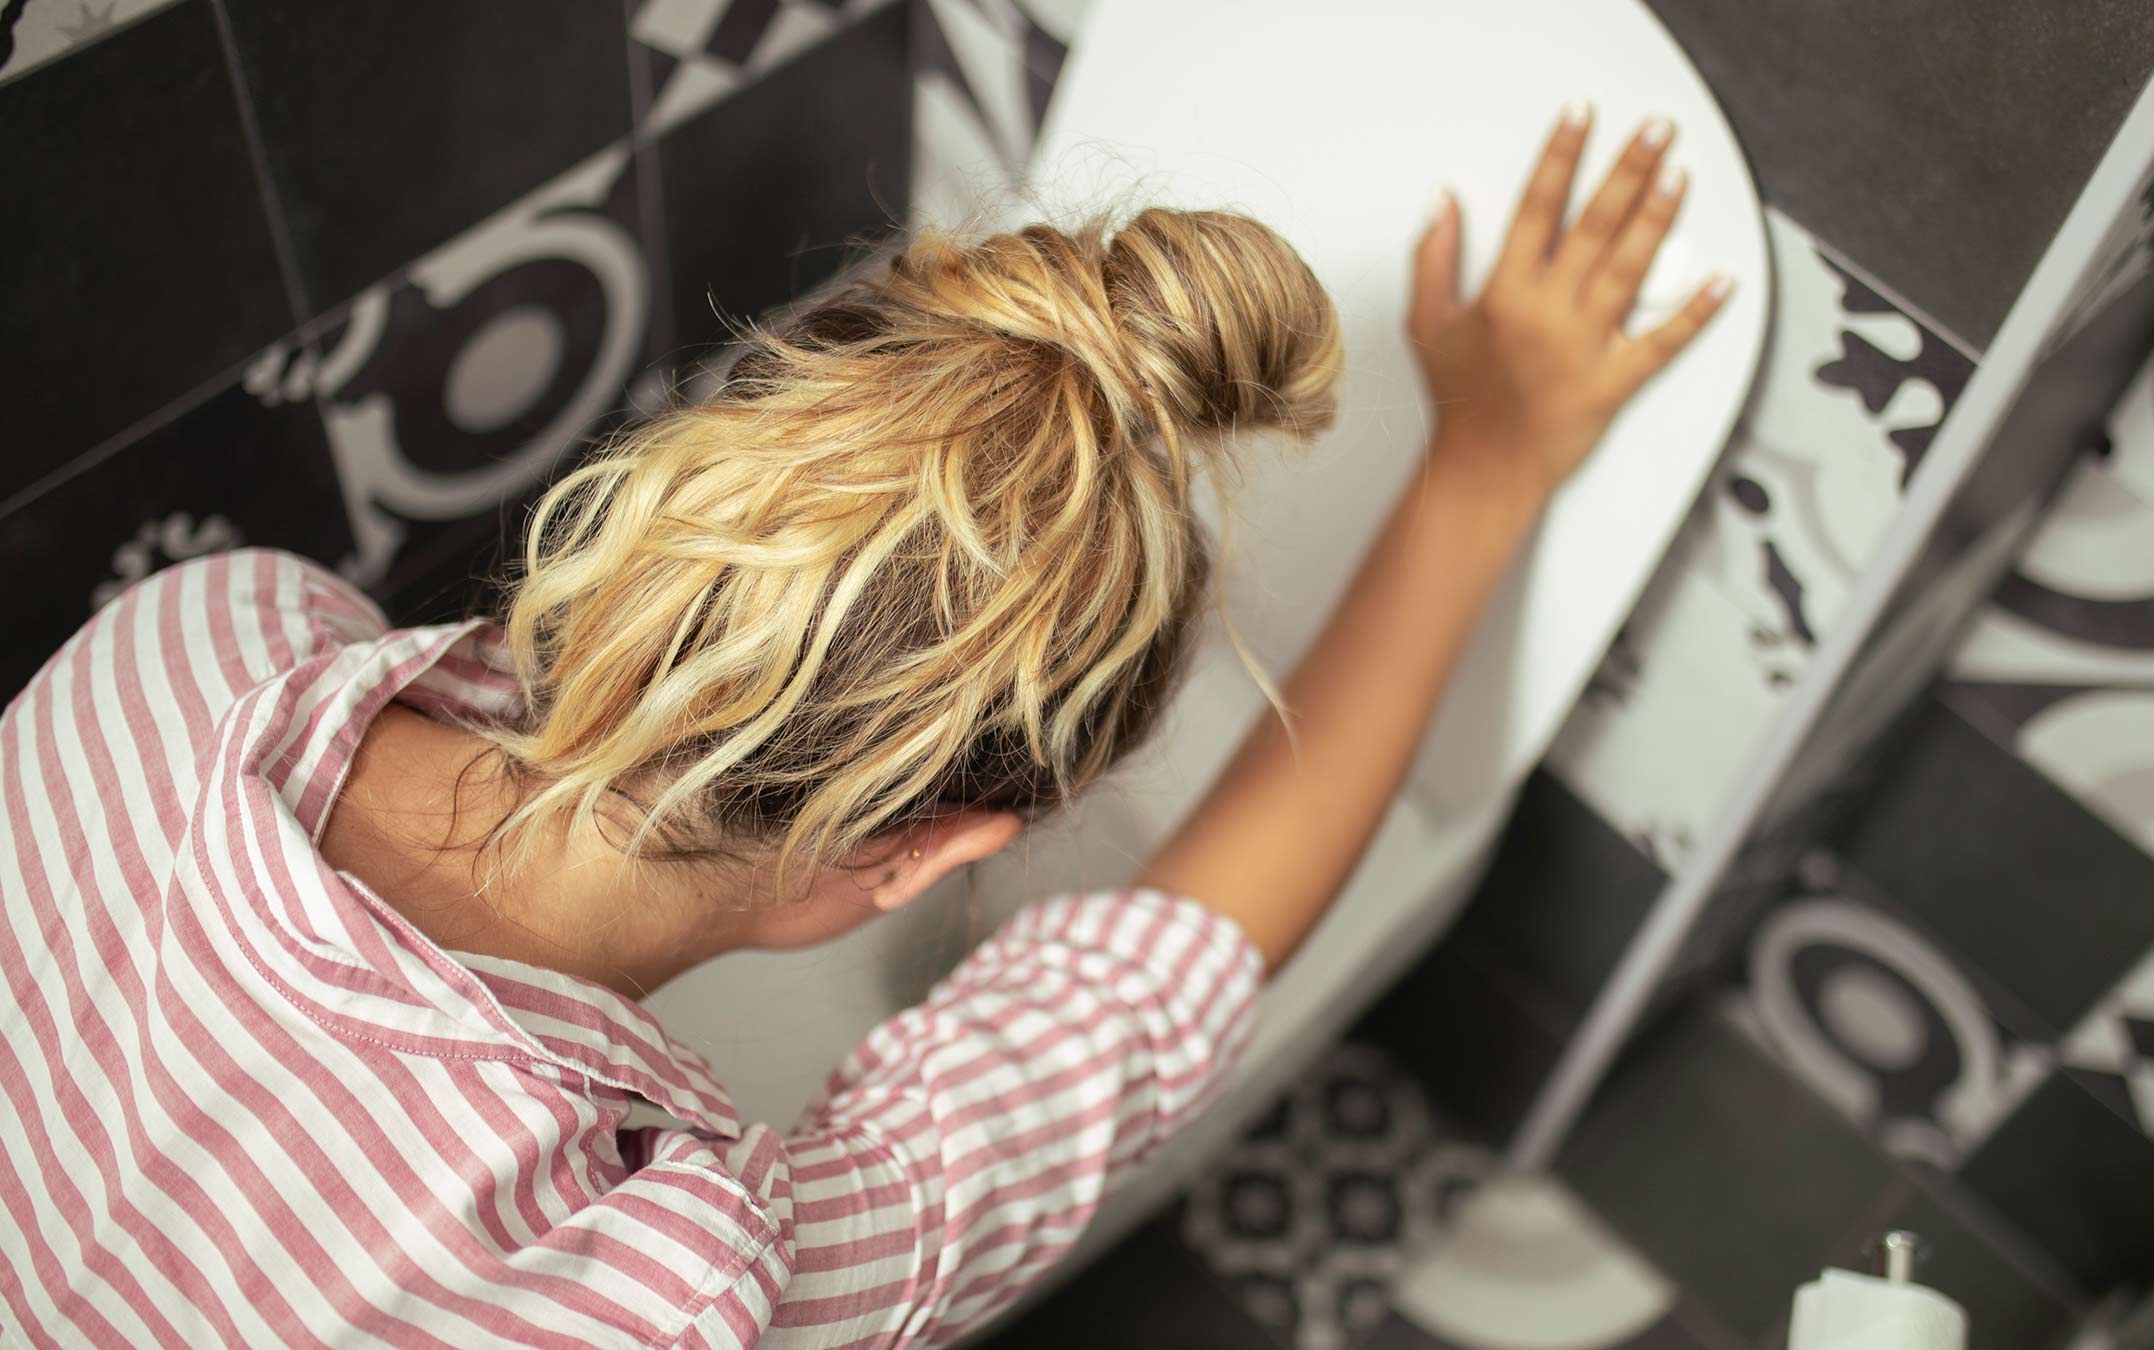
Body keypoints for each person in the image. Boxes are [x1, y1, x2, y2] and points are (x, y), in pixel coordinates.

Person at [0, 102, 1724, 1347]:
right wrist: (1488, 465)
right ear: (936, 852)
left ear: (681, 509)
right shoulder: (680, 1288)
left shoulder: (191, 645)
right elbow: (1133, 991)